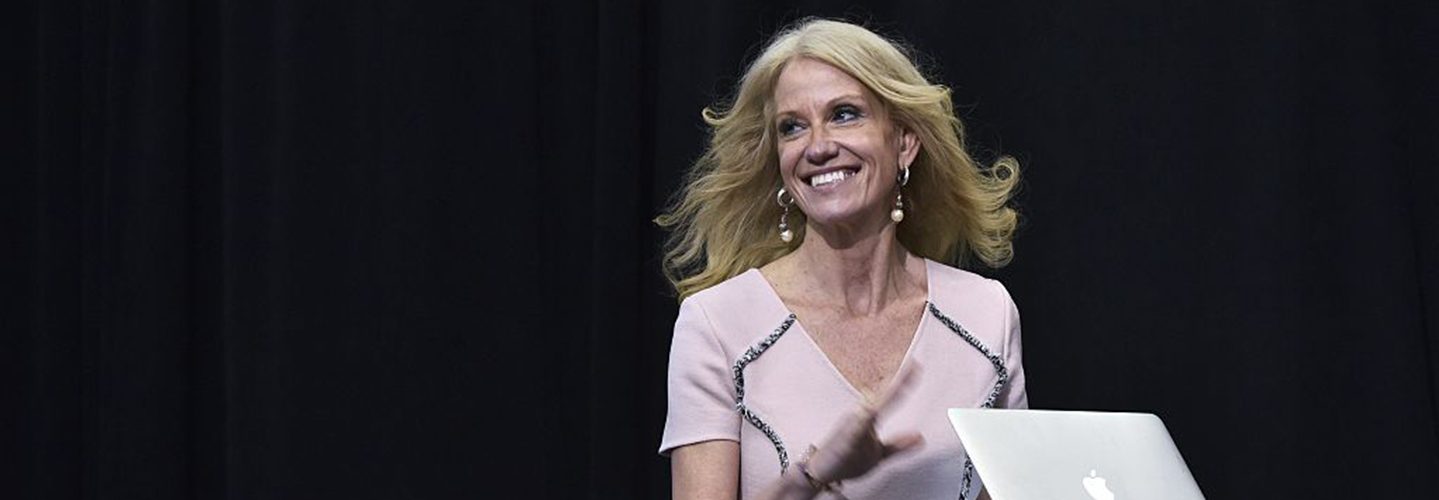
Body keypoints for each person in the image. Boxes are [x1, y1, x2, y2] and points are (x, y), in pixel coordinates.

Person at [655, 18, 1026, 500]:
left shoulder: (986, 313)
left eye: (845, 114)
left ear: (904, 143)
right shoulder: (717, 324)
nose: (819, 146)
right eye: (792, 127)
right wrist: (813, 476)